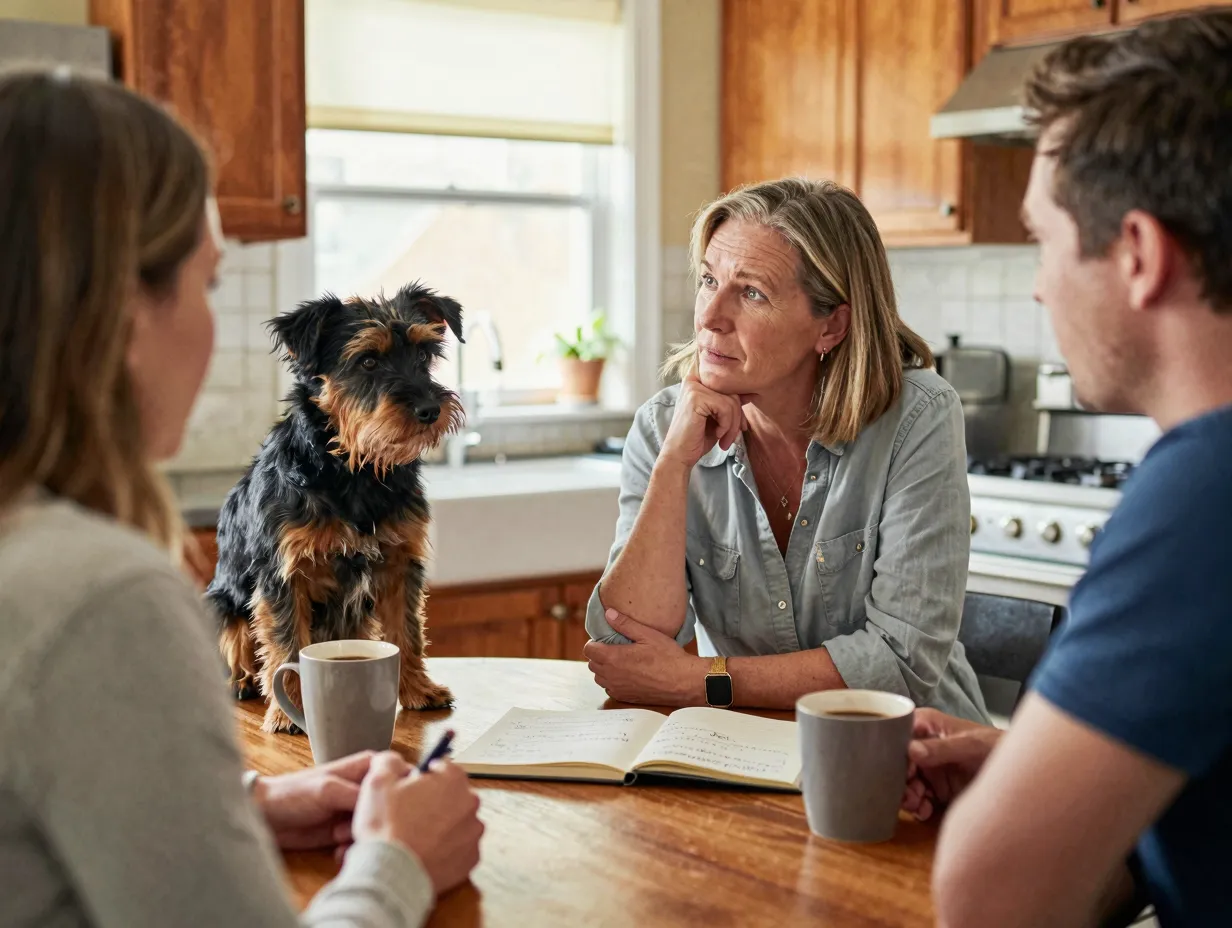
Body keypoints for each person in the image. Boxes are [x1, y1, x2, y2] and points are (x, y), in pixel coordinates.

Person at [0, 72, 482, 927]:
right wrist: (396, 861)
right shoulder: (94, 597)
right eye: (208, 284)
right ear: (114, 305)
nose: (214, 326)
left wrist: (242, 801)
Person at [898, 10, 1232, 927]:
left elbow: (990, 897)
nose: (1040, 284)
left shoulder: (1205, 492)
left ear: (1137, 255)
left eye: (1044, 239)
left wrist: (1018, 822)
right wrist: (1036, 776)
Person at [583, 178, 988, 722]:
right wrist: (673, 465)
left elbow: (900, 663)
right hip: (743, 757)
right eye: (709, 280)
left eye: (751, 292)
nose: (709, 316)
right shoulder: (663, 426)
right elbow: (626, 648)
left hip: (913, 760)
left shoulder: (917, 416)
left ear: (831, 325)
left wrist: (701, 681)